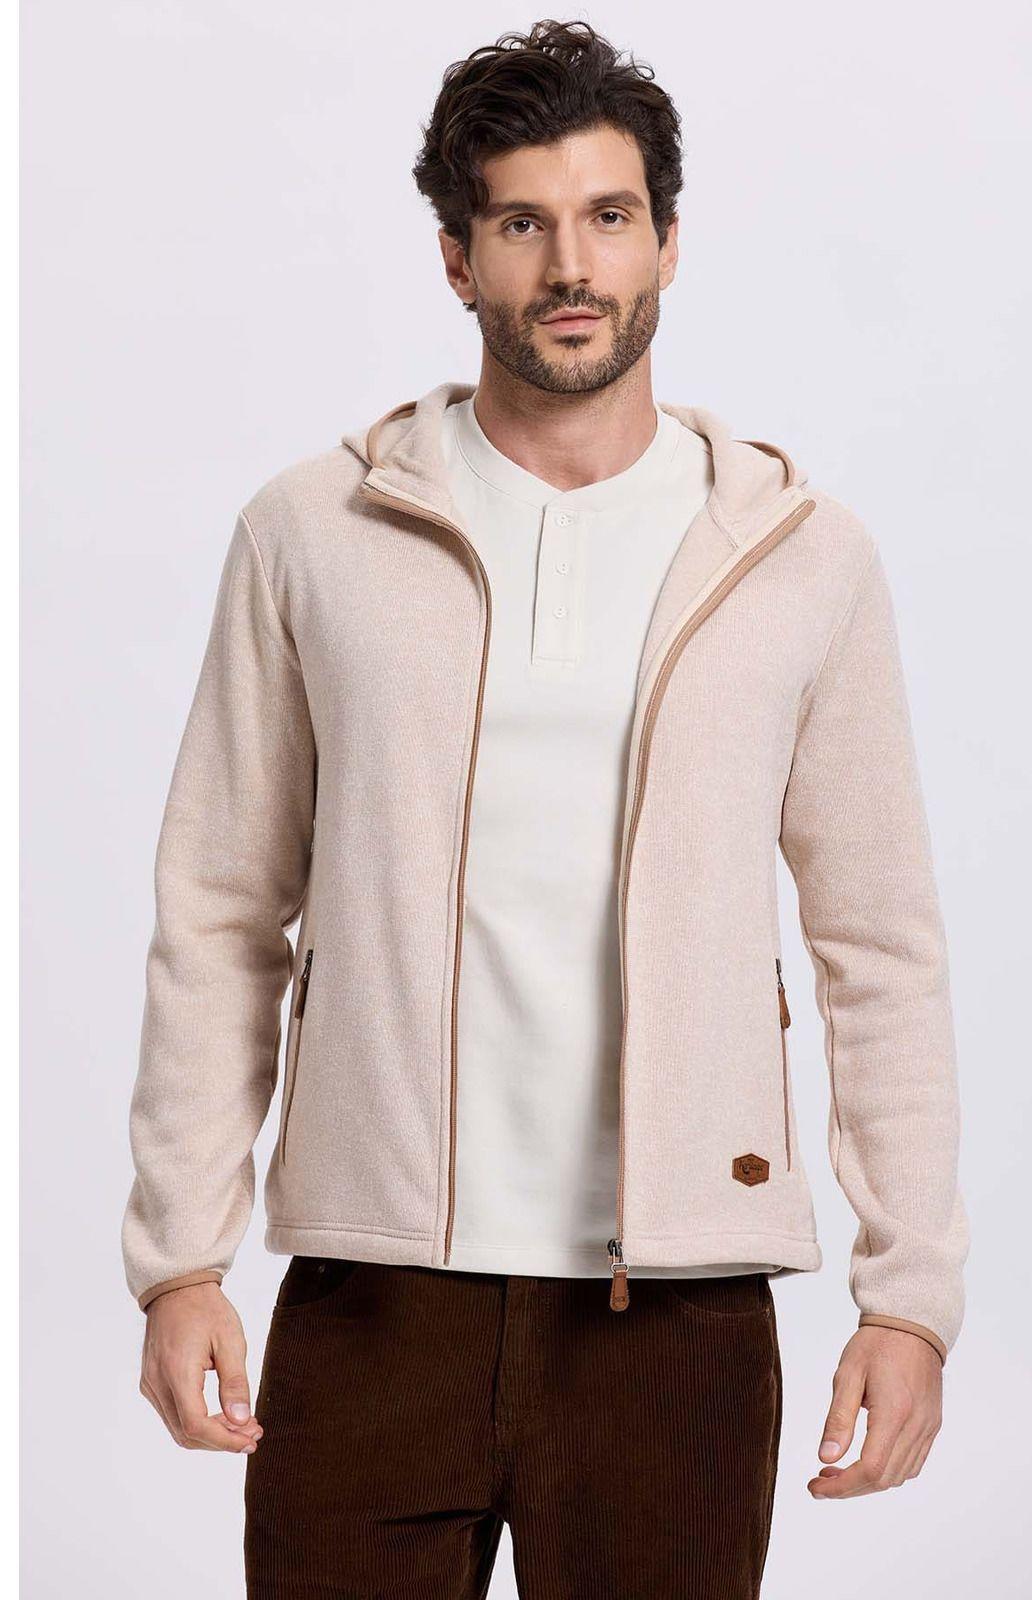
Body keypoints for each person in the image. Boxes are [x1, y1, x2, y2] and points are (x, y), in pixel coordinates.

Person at [122, 18, 969, 1597]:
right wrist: (179, 1260)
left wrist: (910, 1296)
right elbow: (221, 909)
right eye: (521, 223)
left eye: (608, 216)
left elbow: (881, 945)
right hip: (375, 1293)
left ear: (667, 239)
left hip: (678, 1313)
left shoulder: (800, 557)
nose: (571, 265)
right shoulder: (313, 531)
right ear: (458, 258)